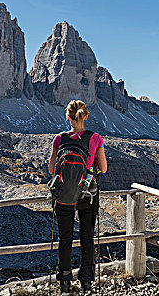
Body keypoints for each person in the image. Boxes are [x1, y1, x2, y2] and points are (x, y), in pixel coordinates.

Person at [48, 100, 107, 293]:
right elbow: (104, 168)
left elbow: (51, 169)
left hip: (65, 193)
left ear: (68, 117)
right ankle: (86, 281)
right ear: (86, 116)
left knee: (65, 238)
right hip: (87, 193)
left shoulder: (59, 139)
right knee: (87, 237)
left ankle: (64, 281)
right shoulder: (95, 138)